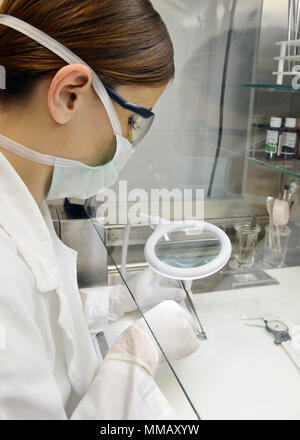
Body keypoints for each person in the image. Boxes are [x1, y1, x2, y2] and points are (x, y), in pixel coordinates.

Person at [0, 0, 200, 420]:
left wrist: (115, 301)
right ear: (69, 93)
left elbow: (39, 328)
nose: (129, 141)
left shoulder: (21, 196)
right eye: (133, 121)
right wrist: (137, 355)